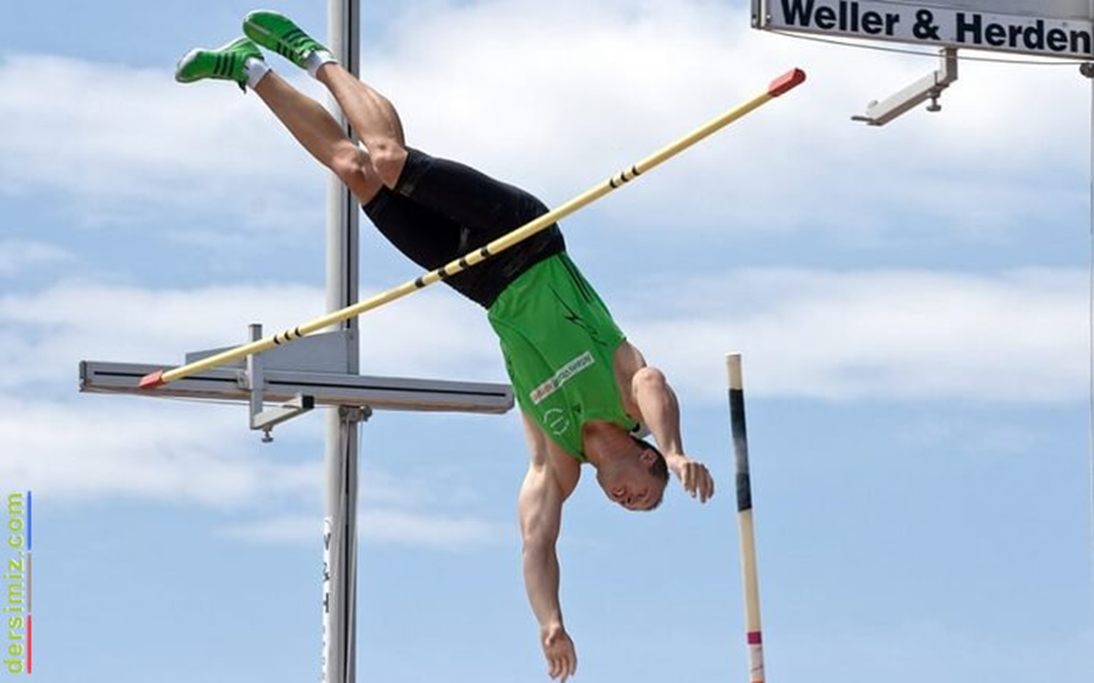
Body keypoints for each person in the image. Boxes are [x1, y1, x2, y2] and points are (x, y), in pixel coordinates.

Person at [177, 10, 715, 680]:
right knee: (389, 159)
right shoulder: (627, 397)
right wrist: (677, 448)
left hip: (483, 286)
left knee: (354, 169)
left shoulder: (559, 462)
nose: (631, 502)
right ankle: (313, 55)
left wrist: (549, 620)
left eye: (632, 506)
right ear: (644, 457)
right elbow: (652, 380)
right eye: (646, 492)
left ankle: (249, 70)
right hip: (525, 238)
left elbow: (536, 543)